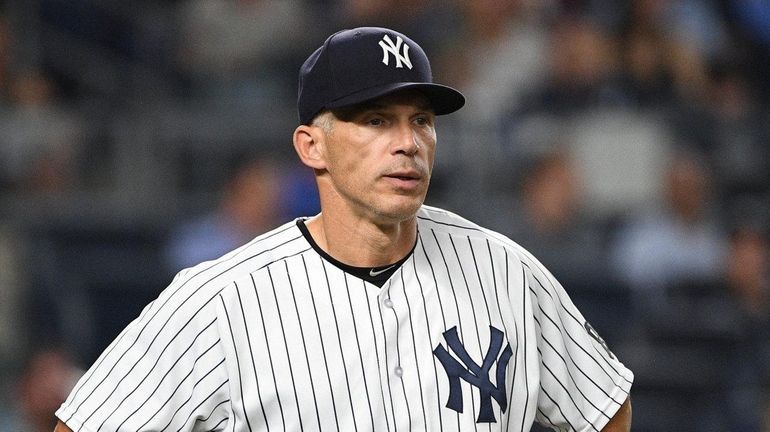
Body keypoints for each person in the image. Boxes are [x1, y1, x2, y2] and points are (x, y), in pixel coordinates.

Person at [55, 27, 632, 431]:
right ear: (312, 146)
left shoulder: (506, 271)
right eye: (376, 120)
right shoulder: (220, 301)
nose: (408, 143)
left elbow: (604, 408)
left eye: (422, 121)